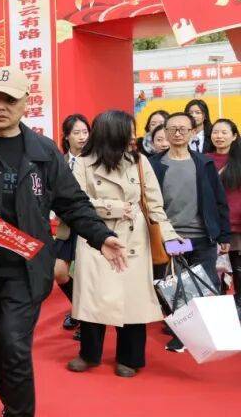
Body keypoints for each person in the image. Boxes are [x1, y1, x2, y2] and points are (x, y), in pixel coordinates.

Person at [0, 66, 126, 417]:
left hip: (26, 269)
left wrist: (101, 236)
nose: (0, 106)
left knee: (14, 342)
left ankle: (19, 413)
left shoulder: (43, 151)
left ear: (26, 102)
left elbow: (72, 202)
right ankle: (12, 404)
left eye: (10, 100)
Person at [67, 110, 181, 377]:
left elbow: (154, 204)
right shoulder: (83, 163)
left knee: (133, 299)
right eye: (128, 131)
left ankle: (130, 358)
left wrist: (171, 238)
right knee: (93, 298)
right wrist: (113, 207)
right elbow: (76, 202)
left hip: (134, 239)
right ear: (112, 133)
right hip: (96, 237)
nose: (133, 137)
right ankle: (89, 354)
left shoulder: (139, 161)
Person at [148, 111, 231, 352]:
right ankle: (181, 334)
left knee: (205, 283)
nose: (177, 133)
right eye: (172, 129)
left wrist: (224, 234)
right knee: (175, 286)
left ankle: (201, 333)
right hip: (171, 236)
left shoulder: (204, 163)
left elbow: (219, 199)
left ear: (193, 132)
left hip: (203, 235)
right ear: (165, 132)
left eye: (183, 129)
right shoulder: (154, 165)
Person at [54, 113, 90, 336]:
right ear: (67, 136)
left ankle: (87, 320)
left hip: (89, 224)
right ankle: (78, 309)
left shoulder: (95, 160)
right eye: (76, 132)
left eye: (85, 132)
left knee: (87, 275)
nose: (82, 137)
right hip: (67, 226)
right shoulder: (59, 161)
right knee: (59, 272)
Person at [208, 118, 241, 311]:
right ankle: (219, 312)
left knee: (237, 271)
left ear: (234, 136)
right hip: (211, 226)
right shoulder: (203, 159)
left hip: (236, 227)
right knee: (215, 273)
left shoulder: (238, 161)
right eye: (215, 132)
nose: (219, 136)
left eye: (224, 132)